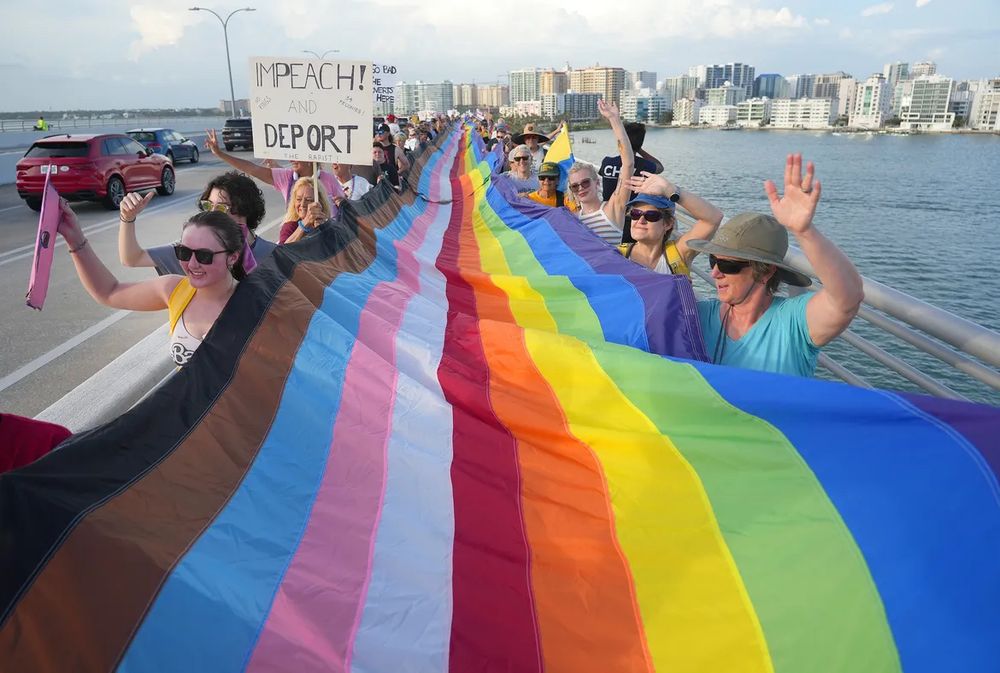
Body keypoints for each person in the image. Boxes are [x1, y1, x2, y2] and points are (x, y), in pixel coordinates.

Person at [688, 154, 864, 377]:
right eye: (713, 260)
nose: (715, 273)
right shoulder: (698, 316)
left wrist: (804, 232)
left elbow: (847, 299)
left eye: (728, 265)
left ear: (766, 271)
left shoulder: (794, 323)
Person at [58, 199, 246, 367]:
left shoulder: (254, 303)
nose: (192, 264)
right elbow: (108, 292)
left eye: (204, 255)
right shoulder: (175, 290)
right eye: (184, 253)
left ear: (232, 257)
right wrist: (74, 239)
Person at [119, 171, 273, 276]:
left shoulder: (273, 255)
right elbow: (132, 258)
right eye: (208, 205)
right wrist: (127, 218)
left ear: (244, 210)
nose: (210, 213)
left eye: (220, 207)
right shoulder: (190, 252)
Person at [204, 128, 345, 209]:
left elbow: (345, 209)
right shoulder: (286, 177)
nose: (291, 159)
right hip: (296, 240)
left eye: (296, 156)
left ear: (310, 158)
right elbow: (251, 168)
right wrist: (220, 154)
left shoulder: (330, 180)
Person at [618, 172, 723, 275]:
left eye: (651, 215)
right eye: (635, 214)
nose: (641, 221)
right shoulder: (618, 255)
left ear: (668, 224)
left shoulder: (678, 253)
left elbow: (713, 218)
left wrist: (670, 190)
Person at [568, 99, 632, 245]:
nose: (581, 188)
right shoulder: (572, 219)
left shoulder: (612, 210)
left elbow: (628, 164)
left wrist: (614, 119)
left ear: (596, 182)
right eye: (575, 186)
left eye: (585, 182)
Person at [599, 121, 664, 202]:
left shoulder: (607, 162)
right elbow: (660, 168)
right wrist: (639, 149)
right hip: (631, 211)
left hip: (607, 209)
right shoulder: (645, 165)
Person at [279, 178, 332, 244]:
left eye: (308, 200)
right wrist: (304, 225)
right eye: (298, 199)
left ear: (320, 203)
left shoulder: (329, 226)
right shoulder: (290, 227)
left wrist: (322, 231)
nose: (302, 204)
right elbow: (282, 251)